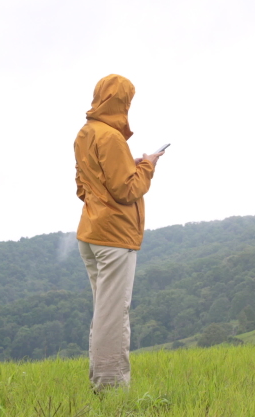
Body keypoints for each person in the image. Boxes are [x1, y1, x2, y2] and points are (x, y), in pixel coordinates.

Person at [74, 74, 165, 391]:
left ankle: (99, 381)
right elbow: (127, 190)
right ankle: (110, 390)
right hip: (114, 239)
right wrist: (148, 165)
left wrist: (132, 162)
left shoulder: (85, 133)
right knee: (114, 317)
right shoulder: (111, 138)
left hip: (91, 233)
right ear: (122, 102)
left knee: (104, 313)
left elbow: (83, 187)